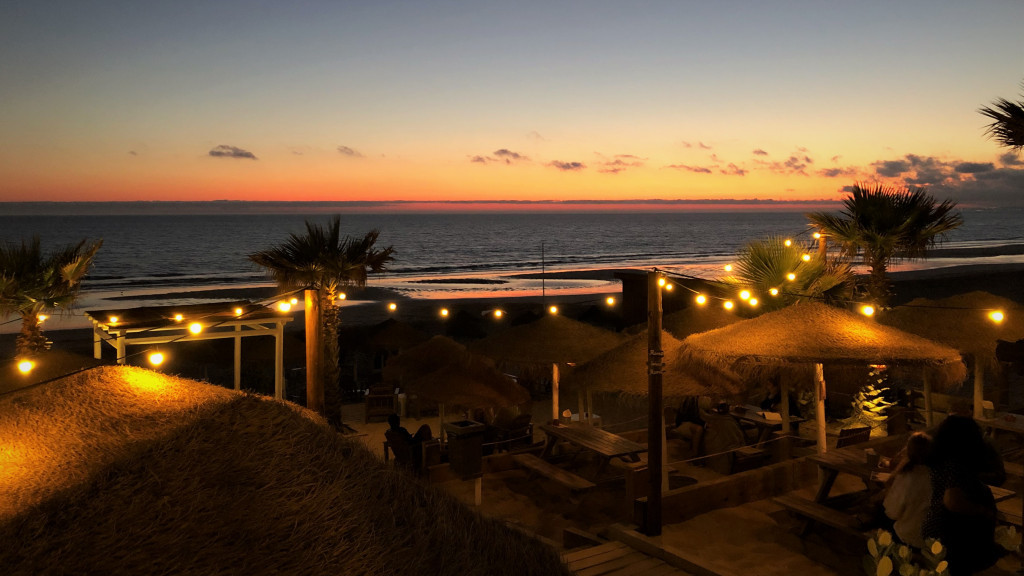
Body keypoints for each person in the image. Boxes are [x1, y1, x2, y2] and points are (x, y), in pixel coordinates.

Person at [922, 415, 1001, 575]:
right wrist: (982, 511)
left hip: (937, 525)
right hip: (953, 533)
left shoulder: (939, 459)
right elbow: (952, 501)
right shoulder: (955, 464)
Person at [883, 432, 933, 548]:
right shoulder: (940, 474)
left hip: (911, 537)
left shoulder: (908, 477)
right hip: (936, 536)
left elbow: (892, 513)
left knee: (880, 517)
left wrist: (888, 489)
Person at [702, 401, 747, 475]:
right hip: (724, 457)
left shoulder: (710, 419)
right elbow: (739, 440)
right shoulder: (728, 421)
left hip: (716, 458)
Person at [667, 396, 706, 461]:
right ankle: (694, 453)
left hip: (690, 422)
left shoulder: (697, 399)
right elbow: (692, 417)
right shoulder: (691, 400)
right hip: (685, 423)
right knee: (698, 429)